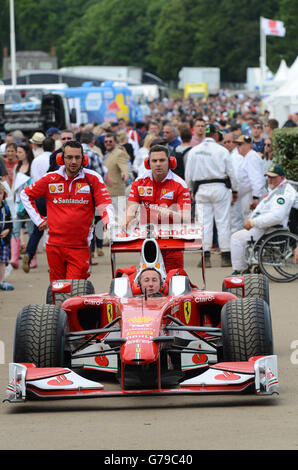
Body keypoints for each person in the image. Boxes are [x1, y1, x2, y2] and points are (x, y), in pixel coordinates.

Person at [20, 140, 115, 282]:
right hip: (54, 245)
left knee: (74, 289)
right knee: (57, 289)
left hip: (81, 246)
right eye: (69, 157)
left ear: (84, 159)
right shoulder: (50, 178)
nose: (73, 161)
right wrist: (38, 220)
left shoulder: (93, 178)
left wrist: (110, 222)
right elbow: (25, 194)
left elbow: (105, 203)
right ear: (61, 159)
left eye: (77, 157)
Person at [122, 144, 191, 272]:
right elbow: (131, 209)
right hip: (148, 240)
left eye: (162, 160)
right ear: (148, 163)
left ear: (170, 162)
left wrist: (171, 213)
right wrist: (126, 220)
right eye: (154, 161)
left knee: (174, 280)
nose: (158, 164)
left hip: (173, 241)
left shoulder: (180, 184)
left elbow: (186, 218)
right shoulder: (139, 182)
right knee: (149, 281)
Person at [185, 124, 238, 268]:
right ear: (215, 135)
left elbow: (188, 174)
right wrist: (235, 190)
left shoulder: (194, 151)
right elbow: (231, 172)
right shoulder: (222, 151)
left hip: (201, 189)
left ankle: (205, 256)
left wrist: (190, 190)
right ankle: (226, 256)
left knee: (204, 223)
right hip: (220, 187)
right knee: (223, 222)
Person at [230, 165, 297, 274]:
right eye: (268, 177)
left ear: (281, 177)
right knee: (243, 238)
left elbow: (277, 216)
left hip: (270, 228)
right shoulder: (278, 189)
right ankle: (248, 266)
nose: (269, 179)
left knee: (236, 238)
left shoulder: (282, 193)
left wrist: (253, 222)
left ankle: (239, 270)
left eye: (273, 177)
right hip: (265, 227)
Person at [22, 137, 56, 273]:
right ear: (53, 147)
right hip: (51, 196)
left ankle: (29, 254)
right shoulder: (54, 159)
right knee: (53, 229)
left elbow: (33, 179)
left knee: (38, 228)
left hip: (38, 196)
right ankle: (52, 262)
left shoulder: (36, 160)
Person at [10, 143, 35, 269]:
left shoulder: (33, 166)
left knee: (31, 231)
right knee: (15, 229)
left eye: (20, 152)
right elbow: (14, 186)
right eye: (17, 152)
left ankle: (31, 258)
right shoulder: (17, 167)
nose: (17, 154)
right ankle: (14, 258)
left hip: (30, 203)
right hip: (18, 203)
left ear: (26, 153)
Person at [234, 134, 266, 220]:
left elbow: (256, 179)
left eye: (240, 144)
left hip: (252, 196)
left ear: (248, 145)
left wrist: (255, 197)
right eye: (237, 144)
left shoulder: (252, 157)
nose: (237, 146)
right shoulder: (248, 157)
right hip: (248, 195)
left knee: (252, 222)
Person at [103, 133, 130, 224]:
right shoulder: (107, 154)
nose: (108, 143)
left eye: (110, 141)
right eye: (106, 141)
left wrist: (125, 174)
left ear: (115, 142)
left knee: (120, 218)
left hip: (116, 192)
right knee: (111, 219)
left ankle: (121, 237)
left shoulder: (119, 153)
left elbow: (124, 166)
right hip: (108, 192)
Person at [0, 183, 14, 290]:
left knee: (3, 261)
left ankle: (1, 281)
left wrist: (7, 230)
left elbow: (10, 223)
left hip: (4, 240)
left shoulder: (6, 208)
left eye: (0, 193)